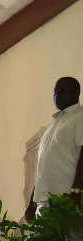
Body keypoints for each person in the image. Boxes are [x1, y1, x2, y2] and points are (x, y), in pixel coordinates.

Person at [29, 76, 83, 218]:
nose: (57, 95)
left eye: (62, 91)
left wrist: (77, 191)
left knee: (71, 240)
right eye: (56, 91)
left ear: (76, 93)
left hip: (67, 199)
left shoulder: (80, 117)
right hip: (43, 202)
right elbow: (44, 166)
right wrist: (32, 201)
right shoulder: (53, 124)